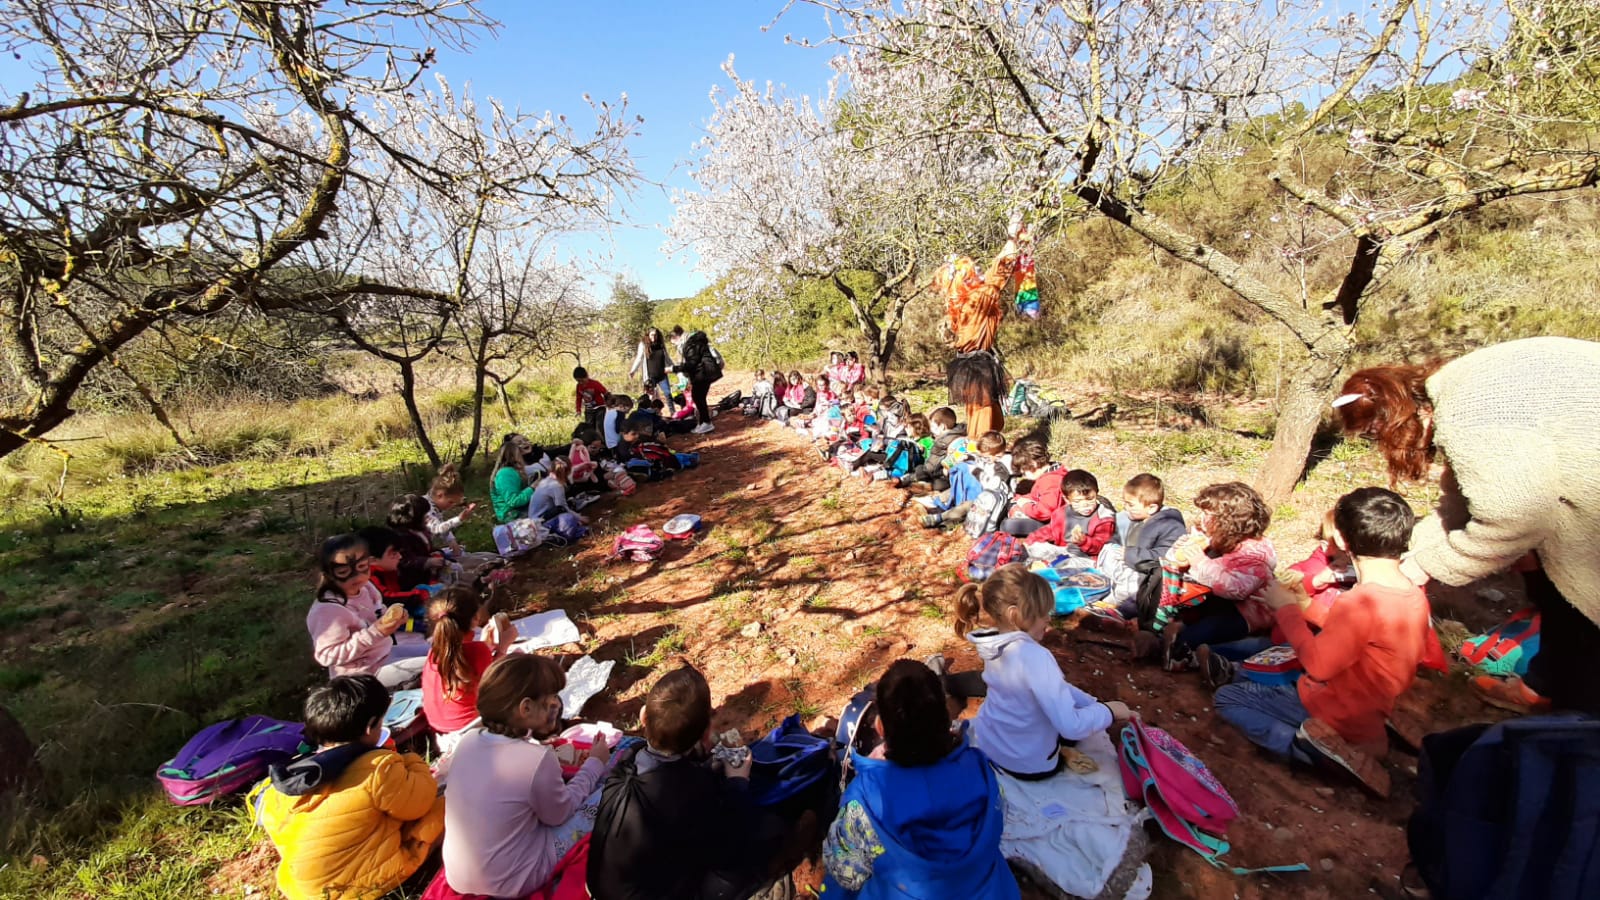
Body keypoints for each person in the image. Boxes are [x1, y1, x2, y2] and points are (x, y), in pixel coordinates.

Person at [1335, 337, 1600, 714]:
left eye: (1374, 435)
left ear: (1394, 419)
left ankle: (1574, 723)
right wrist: (1396, 556)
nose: (1380, 446)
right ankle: (1543, 689)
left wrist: (1427, 565)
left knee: (1581, 598)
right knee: (1555, 588)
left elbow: (1514, 522)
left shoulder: (1468, 416)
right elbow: (1457, 505)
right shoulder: (1456, 388)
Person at [1211, 488, 1429, 798]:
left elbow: (1318, 666)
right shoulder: (1413, 594)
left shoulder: (1359, 601)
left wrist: (1285, 608)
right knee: (1253, 672)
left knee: (1228, 697)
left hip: (1335, 707)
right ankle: (1370, 736)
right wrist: (1305, 605)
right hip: (1372, 699)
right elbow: (1363, 635)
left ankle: (1315, 750)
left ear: (1340, 538)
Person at [588, 666, 795, 900]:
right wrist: (737, 780)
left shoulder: (628, 758)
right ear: (705, 734)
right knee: (768, 831)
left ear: (644, 717)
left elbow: (672, 763)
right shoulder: (692, 790)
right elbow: (729, 840)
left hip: (605, 887)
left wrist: (705, 752)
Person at [821, 659, 1019, 900]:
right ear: (946, 718)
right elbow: (998, 821)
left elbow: (844, 873)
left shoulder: (865, 798)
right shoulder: (979, 767)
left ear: (880, 728)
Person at [254, 675, 445, 900]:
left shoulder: (298, 771)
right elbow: (420, 802)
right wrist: (410, 760)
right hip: (353, 887)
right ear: (370, 727)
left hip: (303, 890)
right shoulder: (377, 768)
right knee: (446, 806)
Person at [440, 655, 609, 897]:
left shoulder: (467, 741)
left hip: (458, 877)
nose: (556, 705)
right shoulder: (537, 759)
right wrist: (594, 764)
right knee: (605, 794)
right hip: (515, 881)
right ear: (526, 708)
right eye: (551, 699)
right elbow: (559, 815)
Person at [954, 565, 1131, 777]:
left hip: (992, 745)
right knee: (1079, 729)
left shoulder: (993, 643)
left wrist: (1092, 703)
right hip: (1028, 764)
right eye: (1042, 613)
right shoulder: (1036, 658)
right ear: (1014, 615)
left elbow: (1055, 688)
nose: (1048, 618)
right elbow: (1071, 726)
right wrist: (1110, 711)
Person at [943, 225, 1029, 437]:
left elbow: (994, 274)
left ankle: (986, 444)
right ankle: (979, 449)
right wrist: (1012, 238)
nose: (981, 273)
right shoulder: (977, 299)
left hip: (971, 363)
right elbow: (998, 274)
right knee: (982, 411)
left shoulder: (961, 304)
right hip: (977, 366)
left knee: (986, 412)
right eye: (976, 272)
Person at [307, 534, 425, 688]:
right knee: (439, 665)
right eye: (343, 572)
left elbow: (378, 612)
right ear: (328, 574)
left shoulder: (366, 588)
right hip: (361, 674)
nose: (357, 576)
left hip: (384, 653)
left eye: (362, 567)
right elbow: (327, 655)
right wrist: (376, 632)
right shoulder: (328, 610)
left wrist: (395, 619)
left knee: (441, 651)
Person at [422, 587, 517, 753]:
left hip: (438, 729)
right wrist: (503, 647)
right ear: (475, 619)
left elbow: (467, 666)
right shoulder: (477, 651)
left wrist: (486, 646)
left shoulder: (434, 652)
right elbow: (496, 682)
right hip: (470, 731)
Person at [1096, 474, 1187, 617]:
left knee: (1132, 588)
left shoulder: (1169, 524)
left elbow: (1166, 556)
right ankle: (1101, 592)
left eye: (1131, 505)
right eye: (1125, 503)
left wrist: (1130, 554)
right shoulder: (1134, 517)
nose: (1126, 508)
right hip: (1131, 567)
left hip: (1150, 579)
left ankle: (1117, 608)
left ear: (1151, 508)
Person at [916, 431, 1009, 529]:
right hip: (973, 492)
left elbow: (992, 484)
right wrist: (966, 457)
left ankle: (941, 517)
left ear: (998, 455)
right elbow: (975, 458)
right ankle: (938, 503)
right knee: (953, 491)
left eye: (986, 457)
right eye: (982, 456)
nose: (984, 459)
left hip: (985, 500)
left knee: (968, 505)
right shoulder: (983, 456)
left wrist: (975, 470)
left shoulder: (1002, 466)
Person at [997, 438, 1064, 538]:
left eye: (1024, 471)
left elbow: (1045, 513)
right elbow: (1038, 496)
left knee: (1007, 525)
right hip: (1049, 516)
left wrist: (1025, 506)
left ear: (1033, 464)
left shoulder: (1050, 482)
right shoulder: (1052, 473)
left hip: (1055, 525)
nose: (1024, 475)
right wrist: (1020, 499)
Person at [894, 407, 965, 492]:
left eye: (933, 426)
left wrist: (907, 478)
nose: (931, 430)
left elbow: (929, 468)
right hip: (957, 478)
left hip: (945, 481)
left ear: (942, 427)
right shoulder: (961, 435)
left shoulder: (942, 443)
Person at [671, 325, 723, 434]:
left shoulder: (690, 344)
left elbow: (691, 364)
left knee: (698, 397)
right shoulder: (694, 341)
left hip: (704, 373)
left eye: (673, 341)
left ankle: (706, 423)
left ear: (676, 337)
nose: (674, 344)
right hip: (705, 372)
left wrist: (673, 369)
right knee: (698, 397)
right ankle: (704, 423)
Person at [627, 327, 678, 415]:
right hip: (650, 376)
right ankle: (649, 414)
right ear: (648, 335)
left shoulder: (660, 344)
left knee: (668, 393)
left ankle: (673, 413)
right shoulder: (643, 345)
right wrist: (633, 371)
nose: (653, 337)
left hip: (662, 375)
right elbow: (639, 358)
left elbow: (667, 358)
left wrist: (675, 368)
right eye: (652, 335)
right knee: (650, 397)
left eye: (655, 335)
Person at [528, 458, 582, 523]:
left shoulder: (546, 480)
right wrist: (580, 518)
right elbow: (562, 507)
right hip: (539, 520)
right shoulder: (557, 485)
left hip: (533, 516)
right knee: (569, 517)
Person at [574, 366, 610, 432]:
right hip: (589, 409)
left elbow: (606, 393)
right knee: (589, 427)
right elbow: (578, 399)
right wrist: (578, 410)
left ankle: (601, 438)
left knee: (599, 426)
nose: (581, 383)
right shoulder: (578, 386)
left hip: (599, 408)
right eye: (578, 381)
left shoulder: (595, 384)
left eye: (582, 380)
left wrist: (610, 404)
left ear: (587, 376)